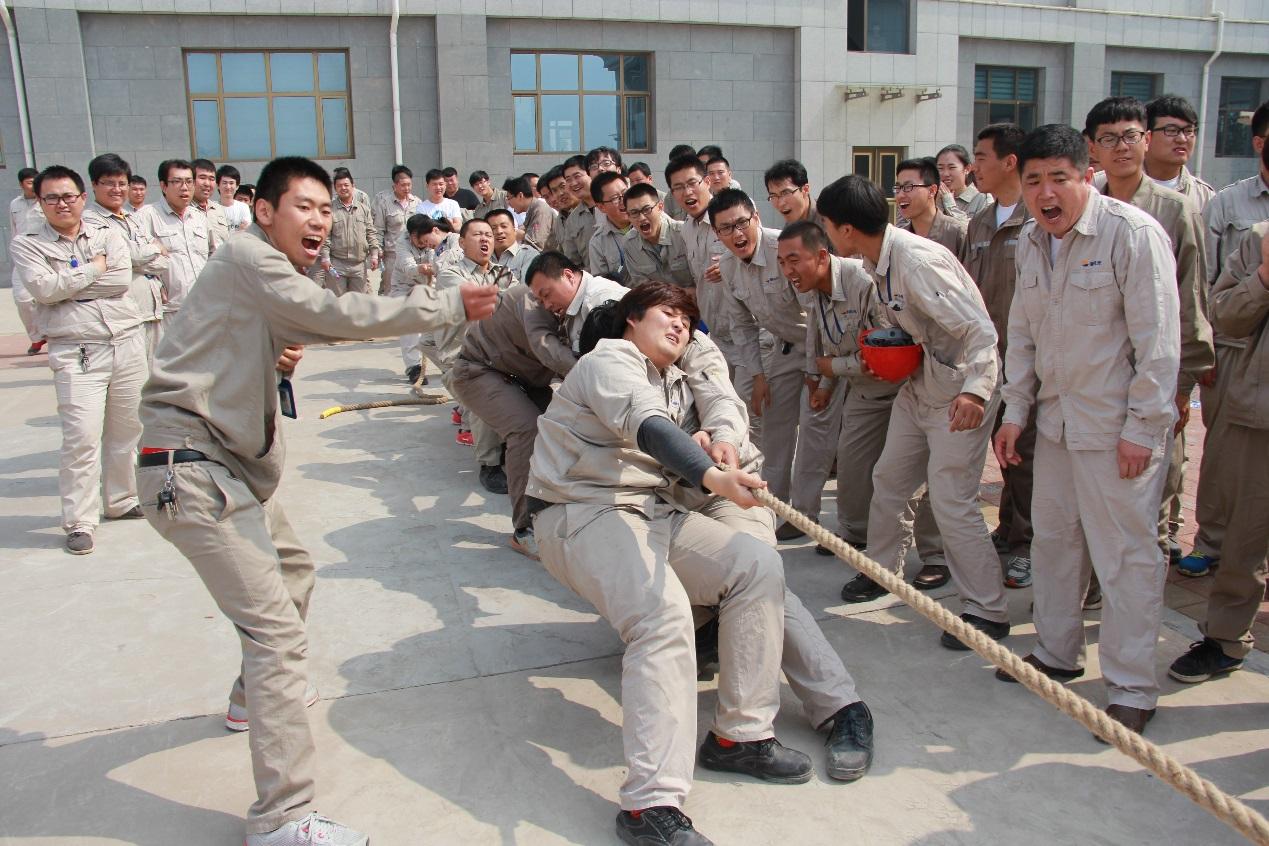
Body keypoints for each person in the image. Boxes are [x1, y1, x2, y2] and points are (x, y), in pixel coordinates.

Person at [137, 156, 498, 846]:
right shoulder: (248, 256)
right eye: (303, 206)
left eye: (326, 209)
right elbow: (333, 314)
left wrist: (269, 353)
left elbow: (275, 330)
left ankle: (251, 699)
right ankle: (282, 819)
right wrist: (444, 304)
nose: (319, 220)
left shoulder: (259, 272)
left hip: (228, 467)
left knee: (295, 570)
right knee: (275, 636)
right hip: (191, 468)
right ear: (263, 212)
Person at [526, 282, 811, 846]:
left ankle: (740, 737)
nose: (680, 324)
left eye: (686, 318)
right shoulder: (609, 359)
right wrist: (711, 475)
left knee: (756, 565)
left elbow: (697, 420)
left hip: (652, 511)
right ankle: (648, 807)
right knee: (663, 619)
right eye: (667, 312)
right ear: (632, 319)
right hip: (580, 511)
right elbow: (647, 426)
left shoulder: (674, 380)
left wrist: (713, 447)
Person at [993, 124, 1180, 736]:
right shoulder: (1030, 242)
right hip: (1057, 427)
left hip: (1117, 433)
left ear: (1087, 175)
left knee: (1125, 558)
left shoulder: (1132, 235)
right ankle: (1056, 653)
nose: (1046, 193)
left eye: (1059, 179)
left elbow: (1159, 345)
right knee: (1054, 543)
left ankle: (1131, 687)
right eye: (1034, 181)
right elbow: (1023, 334)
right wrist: (1015, 412)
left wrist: (1143, 430)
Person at [816, 175, 1007, 645]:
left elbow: (980, 331)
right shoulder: (876, 261)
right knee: (890, 479)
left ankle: (986, 608)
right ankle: (883, 572)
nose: (826, 233)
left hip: (959, 393)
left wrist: (977, 392)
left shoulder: (918, 262)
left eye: (826, 225)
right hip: (921, 386)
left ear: (845, 229)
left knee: (952, 499)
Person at [1085, 96, 1214, 569]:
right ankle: (1093, 589)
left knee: (1149, 496)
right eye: (1109, 138)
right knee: (1092, 499)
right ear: (1092, 147)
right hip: (1095, 379)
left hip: (1153, 379)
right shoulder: (1085, 203)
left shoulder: (1176, 210)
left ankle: (1144, 589)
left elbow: (1190, 301)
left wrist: (1180, 388)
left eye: (1131, 136)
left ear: (1145, 140)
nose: (1121, 147)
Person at [778, 221, 945, 572]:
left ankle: (935, 555)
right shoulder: (814, 289)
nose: (787, 270)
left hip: (904, 389)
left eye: (793, 260)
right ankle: (857, 534)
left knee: (918, 476)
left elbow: (886, 351)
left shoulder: (862, 281)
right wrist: (824, 386)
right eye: (781, 262)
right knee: (853, 466)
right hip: (864, 392)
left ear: (821, 256)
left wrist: (831, 368)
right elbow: (826, 339)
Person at [11, 164, 147, 555]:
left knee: (127, 430)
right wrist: (94, 268)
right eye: (51, 198)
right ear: (40, 203)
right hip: (77, 350)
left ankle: (121, 500)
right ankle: (79, 521)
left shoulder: (108, 232)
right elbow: (43, 289)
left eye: (68, 196)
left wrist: (70, 285)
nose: (62, 204)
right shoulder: (28, 244)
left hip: (126, 341)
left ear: (83, 197)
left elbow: (120, 279)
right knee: (82, 437)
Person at [1167, 220, 1269, 684]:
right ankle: (1226, 638)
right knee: (1245, 534)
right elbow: (1223, 316)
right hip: (1257, 415)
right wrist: (1264, 277)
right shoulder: (1259, 239)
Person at [710, 188, 841, 540]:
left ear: (756, 217)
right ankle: (775, 509)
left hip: (822, 350)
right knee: (773, 431)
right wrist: (758, 375)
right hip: (782, 350)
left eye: (742, 223)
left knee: (813, 434)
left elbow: (816, 315)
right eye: (726, 228)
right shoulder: (728, 267)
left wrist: (817, 373)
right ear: (717, 234)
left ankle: (805, 516)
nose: (737, 234)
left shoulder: (783, 250)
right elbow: (742, 325)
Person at [1182, 99, 1269, 577]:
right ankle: (1211, 540)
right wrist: (1206, 351)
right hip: (1232, 351)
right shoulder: (1229, 205)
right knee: (1222, 457)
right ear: (1259, 143)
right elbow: (1206, 284)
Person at [962, 123, 1035, 587]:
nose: (975, 167)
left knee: (1025, 457)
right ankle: (1008, 530)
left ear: (1010, 162)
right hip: (990, 359)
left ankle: (1028, 545)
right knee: (1004, 454)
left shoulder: (1036, 217)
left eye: (982, 157)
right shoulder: (981, 221)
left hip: (1028, 361)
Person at [435, 218, 512, 490]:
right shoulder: (449, 275)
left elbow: (517, 303)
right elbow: (483, 303)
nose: (486, 239)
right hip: (460, 359)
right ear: (461, 242)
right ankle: (489, 465)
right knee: (485, 391)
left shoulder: (503, 272)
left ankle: (511, 447)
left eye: (489, 235)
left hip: (497, 355)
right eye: (478, 234)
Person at [82, 153, 167, 360]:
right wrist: (154, 249)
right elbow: (130, 256)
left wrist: (142, 257)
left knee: (156, 370)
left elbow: (164, 261)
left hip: (151, 309)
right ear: (94, 184)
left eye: (122, 183)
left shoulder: (132, 218)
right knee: (133, 373)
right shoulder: (91, 221)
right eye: (109, 183)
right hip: (123, 316)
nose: (117, 189)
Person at [134, 159, 210, 321]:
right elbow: (135, 262)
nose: (185, 187)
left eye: (189, 181)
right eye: (177, 181)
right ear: (163, 186)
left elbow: (212, 256)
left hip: (203, 307)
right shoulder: (145, 217)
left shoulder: (199, 217)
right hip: (168, 312)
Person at [392, 214, 454, 384]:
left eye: (426, 239)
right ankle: (414, 367)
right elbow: (408, 267)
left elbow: (440, 262)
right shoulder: (402, 242)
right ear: (411, 235)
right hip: (404, 288)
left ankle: (448, 364)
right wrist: (421, 268)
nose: (423, 243)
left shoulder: (437, 240)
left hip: (429, 286)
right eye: (418, 238)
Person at [317, 167, 381, 296]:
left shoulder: (363, 209)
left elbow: (371, 233)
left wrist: (374, 255)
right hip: (337, 263)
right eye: (339, 186)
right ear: (335, 188)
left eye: (346, 185)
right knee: (338, 302)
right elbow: (325, 236)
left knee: (359, 302)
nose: (343, 188)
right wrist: (325, 257)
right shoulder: (329, 209)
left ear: (353, 186)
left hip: (359, 265)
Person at [1143, 94, 1214, 209]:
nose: (1182, 139)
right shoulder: (1119, 185)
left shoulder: (1204, 196)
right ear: (1147, 137)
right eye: (1171, 130)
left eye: (1188, 131)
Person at [622, 181, 693, 287]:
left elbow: (702, 280)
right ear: (628, 216)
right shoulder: (630, 244)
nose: (642, 218)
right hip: (656, 297)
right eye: (634, 213)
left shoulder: (684, 233)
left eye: (647, 209)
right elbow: (642, 286)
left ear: (660, 207)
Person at [894, 157, 968, 256]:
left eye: (908, 187)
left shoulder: (957, 234)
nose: (900, 195)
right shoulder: (899, 238)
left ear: (932, 191)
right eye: (898, 188)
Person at [9, 166, 46, 355]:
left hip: (45, 256)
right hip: (22, 257)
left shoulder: (46, 201)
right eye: (30, 182)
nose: (33, 185)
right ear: (21, 184)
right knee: (22, 299)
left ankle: (57, 334)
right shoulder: (15, 204)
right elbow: (13, 229)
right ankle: (37, 337)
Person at [373, 164, 423, 295]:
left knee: (414, 291)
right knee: (391, 291)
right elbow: (378, 230)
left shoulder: (417, 202)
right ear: (394, 185)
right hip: (392, 256)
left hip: (413, 255)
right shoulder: (384, 203)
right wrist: (377, 251)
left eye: (409, 185)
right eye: (403, 185)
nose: (407, 188)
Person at [588, 171, 633, 285]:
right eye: (615, 198)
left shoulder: (648, 221)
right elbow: (603, 285)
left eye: (625, 193)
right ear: (601, 207)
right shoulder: (598, 242)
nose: (623, 200)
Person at [764, 159, 831, 233]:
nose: (781, 203)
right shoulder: (788, 230)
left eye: (786, 193)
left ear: (805, 190)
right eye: (773, 196)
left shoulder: (830, 221)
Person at [561, 155, 598, 266]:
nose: (573, 183)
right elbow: (573, 261)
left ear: (590, 173)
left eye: (577, 176)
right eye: (568, 180)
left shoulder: (614, 205)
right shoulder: (572, 220)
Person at [937, 144, 991, 217]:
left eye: (952, 167)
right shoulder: (932, 197)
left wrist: (950, 205)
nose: (945, 174)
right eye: (940, 168)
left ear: (967, 169)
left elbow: (973, 225)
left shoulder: (982, 199)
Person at [486, 207, 538, 284]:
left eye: (504, 226)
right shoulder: (482, 256)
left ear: (514, 229)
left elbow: (527, 288)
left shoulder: (528, 255)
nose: (499, 231)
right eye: (493, 228)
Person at [191, 158, 230, 251]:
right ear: (191, 180)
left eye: (211, 179)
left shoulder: (219, 209)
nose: (207, 183)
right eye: (202, 178)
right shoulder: (184, 210)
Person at [506, 175, 554, 249]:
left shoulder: (540, 210)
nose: (508, 203)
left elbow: (536, 244)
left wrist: (521, 236)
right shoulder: (532, 209)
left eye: (509, 198)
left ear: (520, 196)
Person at [216, 165, 254, 233]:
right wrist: (238, 230)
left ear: (237, 186)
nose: (228, 187)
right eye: (224, 183)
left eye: (231, 183)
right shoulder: (212, 207)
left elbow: (246, 231)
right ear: (218, 185)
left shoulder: (243, 207)